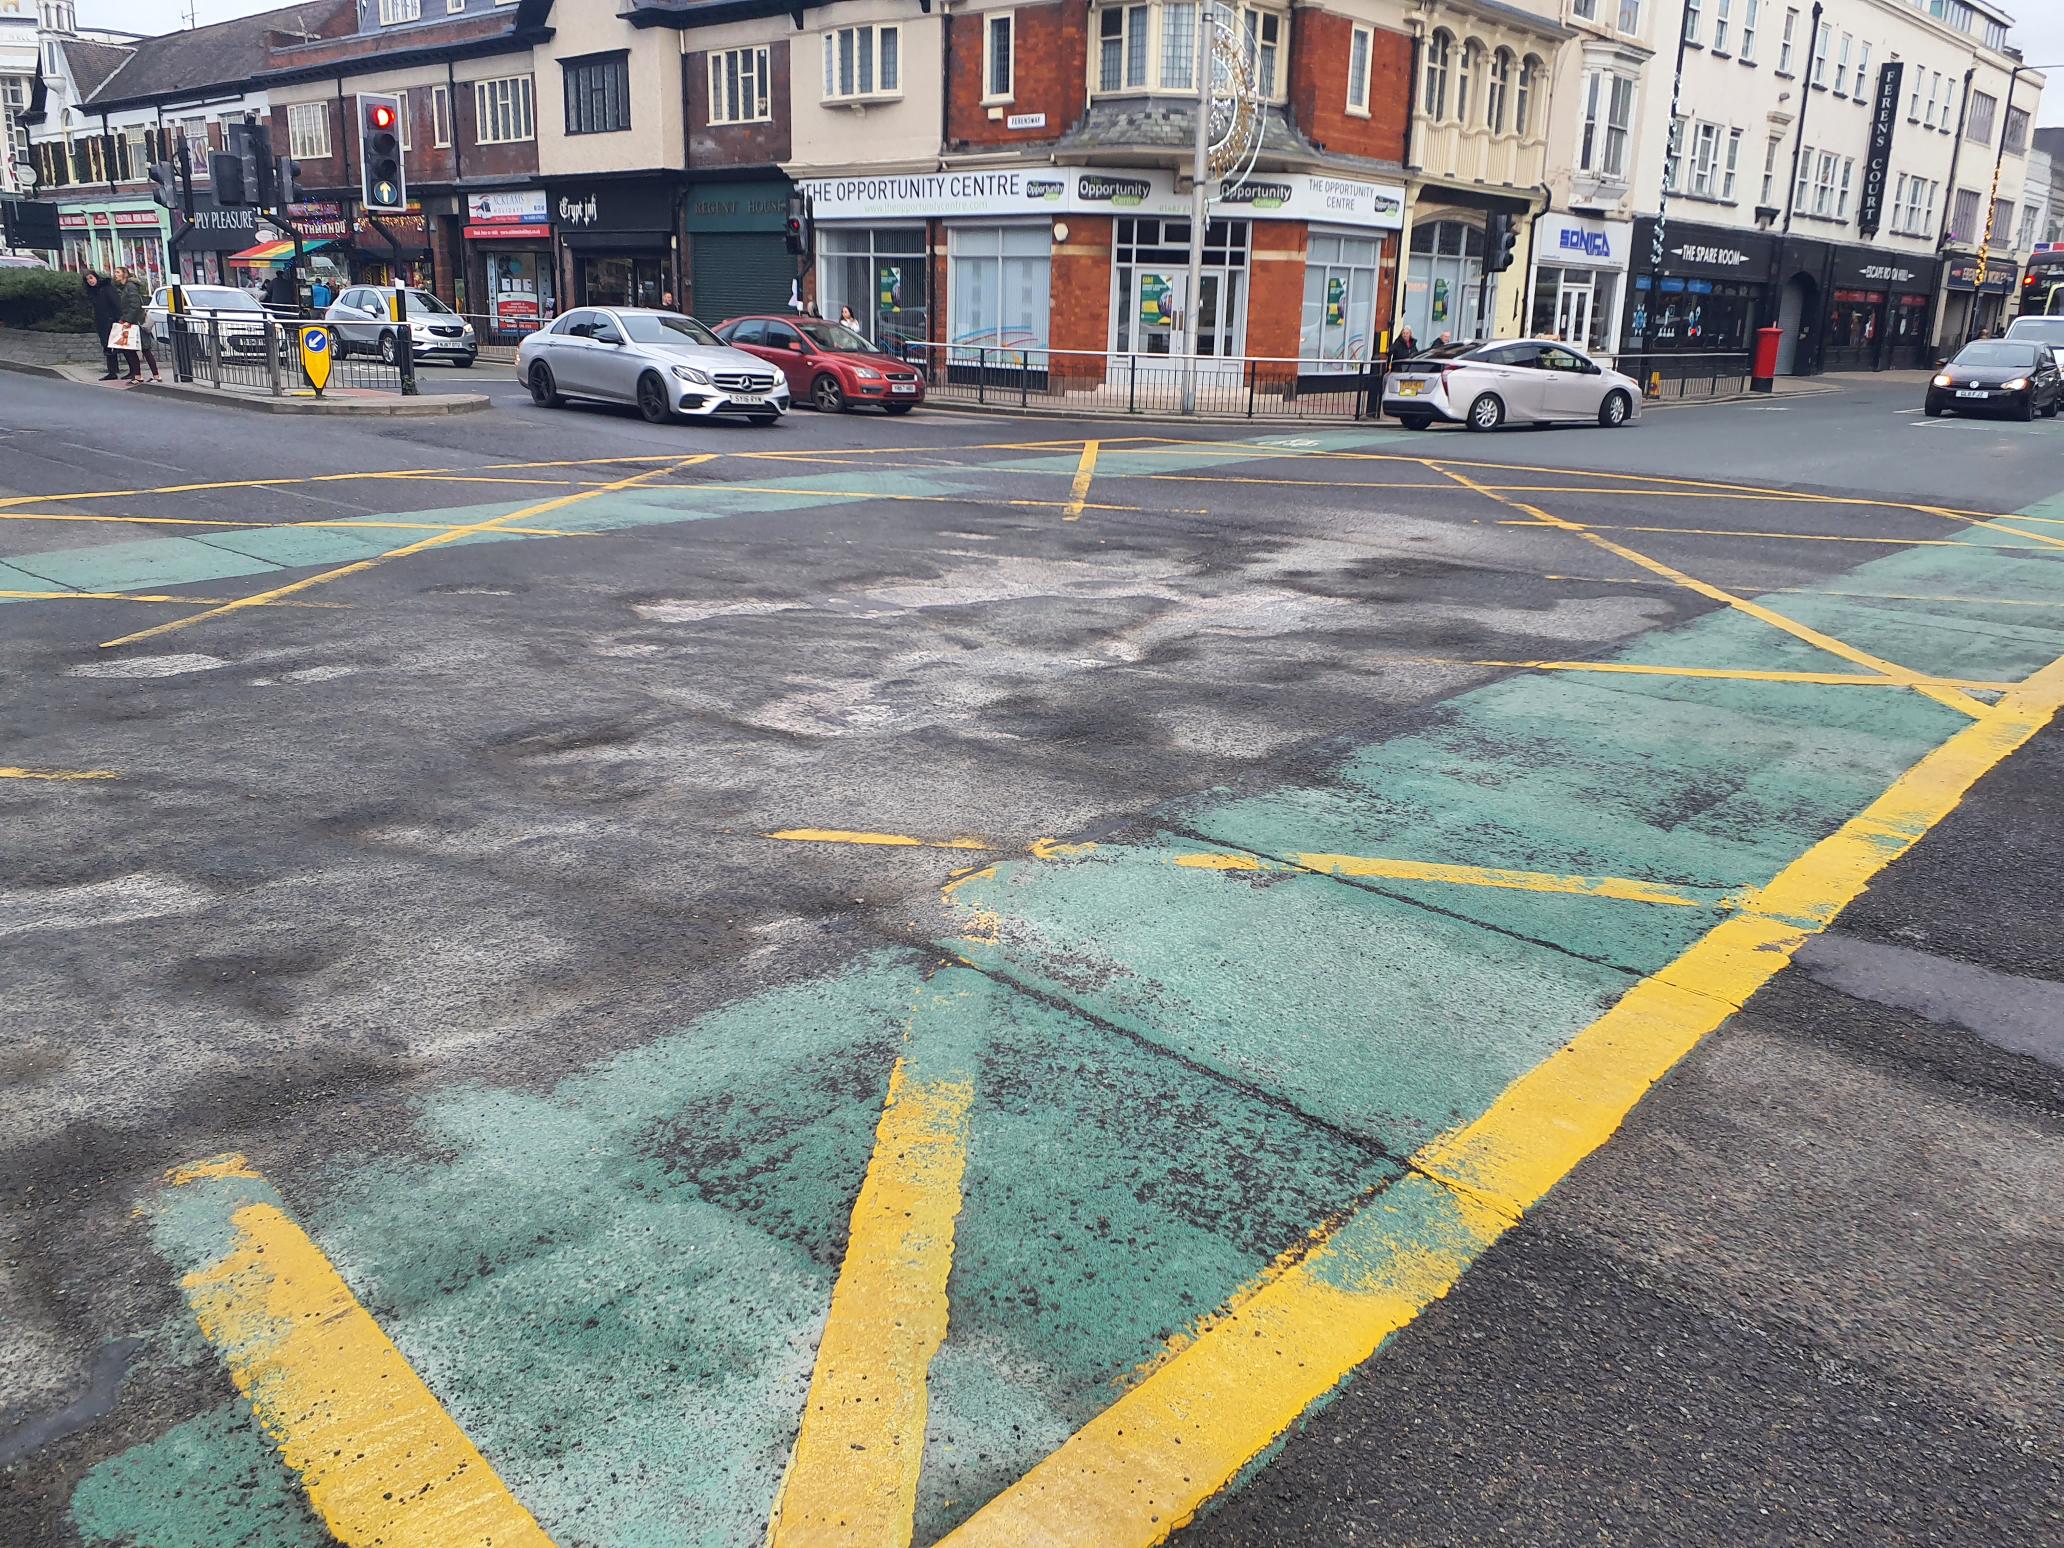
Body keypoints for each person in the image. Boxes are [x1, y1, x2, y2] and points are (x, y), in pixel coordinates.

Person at [112, 265, 159, 382]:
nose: (115, 274)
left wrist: (128, 320)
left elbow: (135, 305)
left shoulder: (130, 287)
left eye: (118, 272)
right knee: (131, 349)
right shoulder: (126, 287)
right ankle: (138, 376)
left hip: (136, 323)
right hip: (132, 322)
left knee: (145, 349)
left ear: (125, 274)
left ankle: (156, 375)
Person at [83, 270, 122, 380]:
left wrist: (118, 319)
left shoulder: (106, 288)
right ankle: (112, 371)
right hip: (102, 322)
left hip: (111, 321)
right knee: (108, 346)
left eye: (91, 278)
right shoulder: (93, 291)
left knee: (121, 347)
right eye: (87, 279)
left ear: (95, 277)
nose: (90, 281)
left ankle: (132, 371)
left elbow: (116, 303)